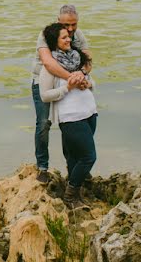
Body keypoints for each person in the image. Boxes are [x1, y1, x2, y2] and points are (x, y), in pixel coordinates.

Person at [38, 22, 97, 209]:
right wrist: (67, 87)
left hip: (89, 112)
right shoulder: (49, 67)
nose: (69, 39)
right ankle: (70, 196)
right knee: (89, 157)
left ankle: (75, 195)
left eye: (68, 36)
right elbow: (44, 96)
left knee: (74, 156)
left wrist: (87, 83)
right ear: (54, 42)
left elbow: (92, 81)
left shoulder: (76, 58)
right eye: (63, 37)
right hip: (71, 117)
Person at [31, 5, 92, 184]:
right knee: (43, 124)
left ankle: (73, 166)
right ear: (59, 21)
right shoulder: (46, 35)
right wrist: (73, 79)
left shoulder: (78, 35)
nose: (71, 29)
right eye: (67, 25)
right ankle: (42, 167)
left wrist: (81, 74)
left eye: (74, 24)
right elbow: (48, 63)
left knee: (70, 124)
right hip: (44, 83)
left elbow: (88, 61)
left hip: (69, 84)